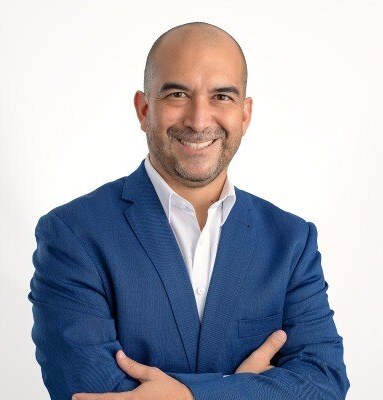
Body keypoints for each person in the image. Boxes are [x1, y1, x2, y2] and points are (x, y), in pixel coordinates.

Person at [28, 21, 350, 400]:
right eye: (178, 94)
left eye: (222, 96)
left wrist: (190, 395)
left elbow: (324, 385)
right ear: (144, 109)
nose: (199, 121)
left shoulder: (292, 241)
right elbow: (90, 393)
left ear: (244, 115)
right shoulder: (72, 235)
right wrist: (248, 389)